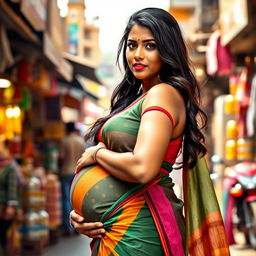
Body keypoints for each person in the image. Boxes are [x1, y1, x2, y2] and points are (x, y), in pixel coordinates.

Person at [70, 7, 230, 255]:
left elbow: (143, 169)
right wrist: (82, 213)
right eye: (132, 45)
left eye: (150, 45)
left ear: (167, 49)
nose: (138, 55)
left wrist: (97, 155)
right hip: (121, 229)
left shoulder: (162, 94)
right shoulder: (143, 96)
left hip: (143, 229)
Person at [59, 122, 85, 235]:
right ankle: (78, 226)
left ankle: (68, 228)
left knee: (65, 200)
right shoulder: (80, 141)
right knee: (76, 200)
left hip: (65, 172)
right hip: (77, 173)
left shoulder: (64, 141)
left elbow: (61, 157)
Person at [0, 139, 22, 256]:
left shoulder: (9, 167)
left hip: (4, 208)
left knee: (3, 235)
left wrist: (10, 206)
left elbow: (12, 188)